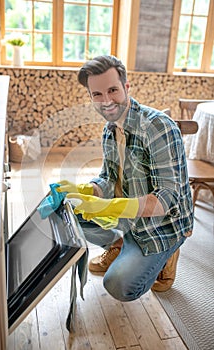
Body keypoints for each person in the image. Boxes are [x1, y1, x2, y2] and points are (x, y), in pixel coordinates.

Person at [57, 55, 193, 301]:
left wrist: (109, 206)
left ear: (126, 87)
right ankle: (117, 245)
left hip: (160, 226)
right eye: (97, 94)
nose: (106, 101)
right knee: (67, 212)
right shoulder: (109, 130)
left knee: (119, 285)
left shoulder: (158, 128)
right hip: (128, 217)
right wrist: (86, 191)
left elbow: (167, 200)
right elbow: (108, 179)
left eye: (112, 90)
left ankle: (167, 254)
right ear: (90, 97)